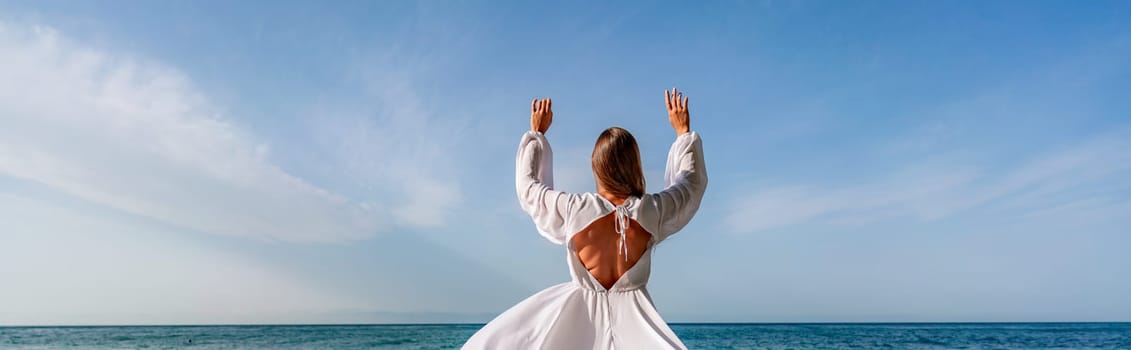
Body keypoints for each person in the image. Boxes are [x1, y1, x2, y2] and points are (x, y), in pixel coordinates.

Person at [463, 88, 708, 349]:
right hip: (637, 328)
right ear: (634, 165)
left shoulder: (575, 209)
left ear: (596, 166)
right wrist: (683, 134)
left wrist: (537, 135)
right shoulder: (651, 211)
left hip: (579, 325)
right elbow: (690, 186)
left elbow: (529, 187)